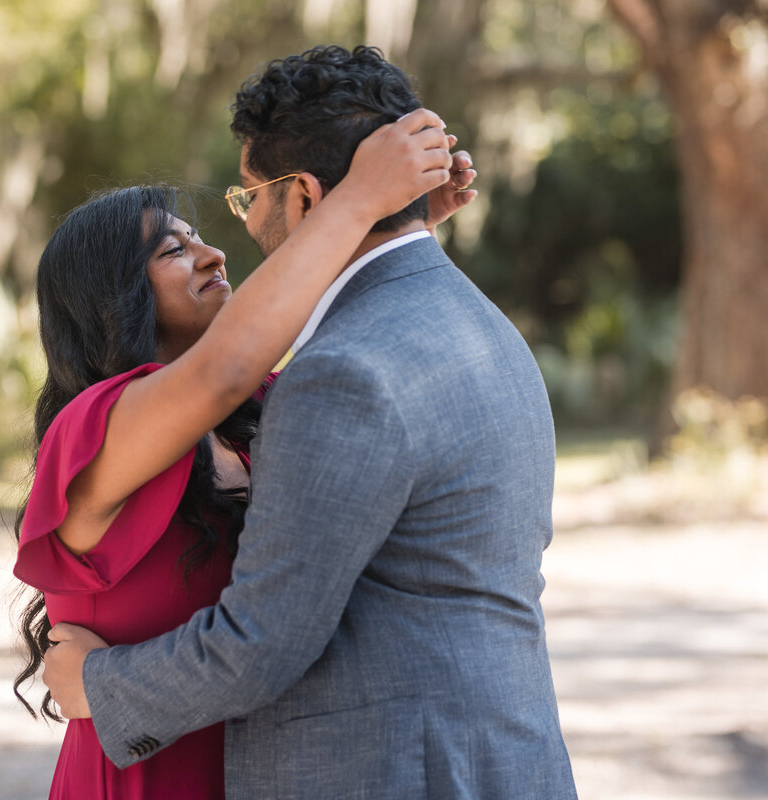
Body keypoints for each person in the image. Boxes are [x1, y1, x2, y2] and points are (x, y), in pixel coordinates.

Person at [42, 44, 578, 799]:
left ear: (301, 195)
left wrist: (99, 683)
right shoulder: (480, 328)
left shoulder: (312, 384)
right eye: (174, 245)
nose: (229, 239)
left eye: (247, 197)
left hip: (391, 761)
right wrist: (385, 216)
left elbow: (264, 638)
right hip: (171, 766)